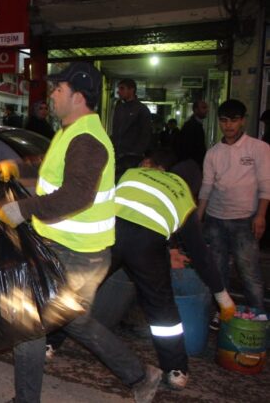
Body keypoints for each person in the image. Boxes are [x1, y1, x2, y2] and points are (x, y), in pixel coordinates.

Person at [0, 62, 161, 403]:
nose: (52, 95)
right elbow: (53, 172)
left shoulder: (87, 140)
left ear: (78, 96)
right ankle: (141, 376)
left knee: (30, 324)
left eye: (58, 90)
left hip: (77, 253)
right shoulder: (72, 131)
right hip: (74, 249)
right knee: (75, 321)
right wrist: (20, 171)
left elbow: (76, 195)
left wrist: (21, 210)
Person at [110, 149, 235, 390]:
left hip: (109, 232)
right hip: (145, 246)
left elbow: (130, 211)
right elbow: (201, 255)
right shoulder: (184, 197)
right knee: (162, 310)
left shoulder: (134, 173)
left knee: (83, 287)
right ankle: (176, 369)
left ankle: (49, 342)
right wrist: (223, 296)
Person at [198, 99, 270, 315]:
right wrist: (197, 218)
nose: (228, 126)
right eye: (224, 120)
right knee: (217, 274)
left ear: (243, 121)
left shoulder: (259, 148)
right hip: (215, 220)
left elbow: (266, 184)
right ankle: (223, 316)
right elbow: (206, 187)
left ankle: (258, 318)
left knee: (250, 274)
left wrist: (261, 216)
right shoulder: (213, 153)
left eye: (234, 120)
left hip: (244, 221)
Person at [111, 78, 152, 180]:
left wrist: (136, 152)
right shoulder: (119, 106)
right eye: (118, 88)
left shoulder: (141, 109)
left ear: (131, 90)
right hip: (117, 155)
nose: (118, 91)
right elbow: (116, 129)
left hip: (132, 158)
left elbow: (146, 134)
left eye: (122, 88)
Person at [175, 100, 208, 168]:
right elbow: (188, 147)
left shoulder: (194, 124)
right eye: (204, 108)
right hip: (192, 164)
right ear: (196, 110)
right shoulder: (192, 126)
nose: (207, 110)